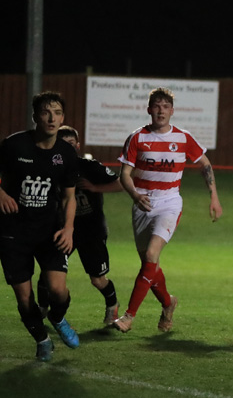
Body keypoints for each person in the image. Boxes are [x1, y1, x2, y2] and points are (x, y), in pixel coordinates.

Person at [112, 87, 223, 333]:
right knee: (149, 265)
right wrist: (135, 195)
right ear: (149, 109)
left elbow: (205, 163)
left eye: (165, 106)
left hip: (169, 203)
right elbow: (125, 174)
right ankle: (168, 302)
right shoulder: (137, 137)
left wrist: (213, 197)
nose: (161, 110)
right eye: (156, 105)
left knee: (151, 254)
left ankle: (129, 316)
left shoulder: (183, 138)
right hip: (142, 205)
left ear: (172, 111)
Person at [0, 91, 80, 361]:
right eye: (46, 112)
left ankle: (57, 318)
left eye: (57, 113)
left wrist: (68, 228)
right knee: (25, 298)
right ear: (35, 116)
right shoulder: (14, 145)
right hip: (13, 232)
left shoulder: (67, 153)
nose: (52, 118)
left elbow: (69, 197)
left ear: (63, 117)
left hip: (50, 232)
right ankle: (42, 339)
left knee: (58, 290)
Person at [37, 126, 123, 326]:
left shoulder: (89, 166)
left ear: (77, 145)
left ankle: (112, 305)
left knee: (98, 279)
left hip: (91, 230)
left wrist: (95, 187)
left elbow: (121, 184)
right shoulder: (49, 166)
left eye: (70, 143)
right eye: (62, 142)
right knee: (48, 273)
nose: (67, 147)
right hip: (62, 229)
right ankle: (41, 309)